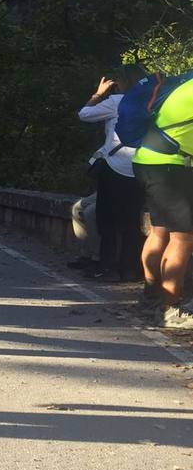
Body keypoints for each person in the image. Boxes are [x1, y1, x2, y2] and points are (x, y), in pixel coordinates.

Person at [131, 76, 193, 329]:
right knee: (183, 237)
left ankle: (150, 298)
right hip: (169, 166)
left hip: (147, 159)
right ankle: (170, 309)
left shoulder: (185, 85)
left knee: (159, 231)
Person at [77, 67, 145, 283]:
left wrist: (97, 95)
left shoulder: (116, 101)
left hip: (114, 167)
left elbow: (84, 114)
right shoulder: (151, 102)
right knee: (131, 222)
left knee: (107, 221)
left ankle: (107, 268)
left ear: (121, 83)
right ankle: (130, 269)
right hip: (139, 168)